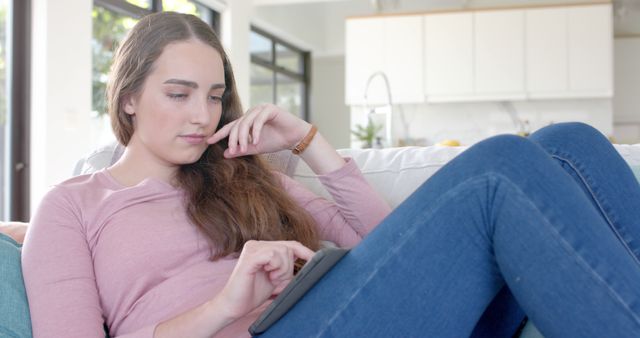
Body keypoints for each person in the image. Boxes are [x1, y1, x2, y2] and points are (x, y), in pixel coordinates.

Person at [19, 11, 640, 338]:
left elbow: (383, 248)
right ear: (127, 97)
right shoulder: (72, 206)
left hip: (344, 316)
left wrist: (308, 143)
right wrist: (223, 306)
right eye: (179, 94)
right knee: (499, 165)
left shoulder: (242, 178)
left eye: (214, 96)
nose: (201, 115)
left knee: (569, 143)